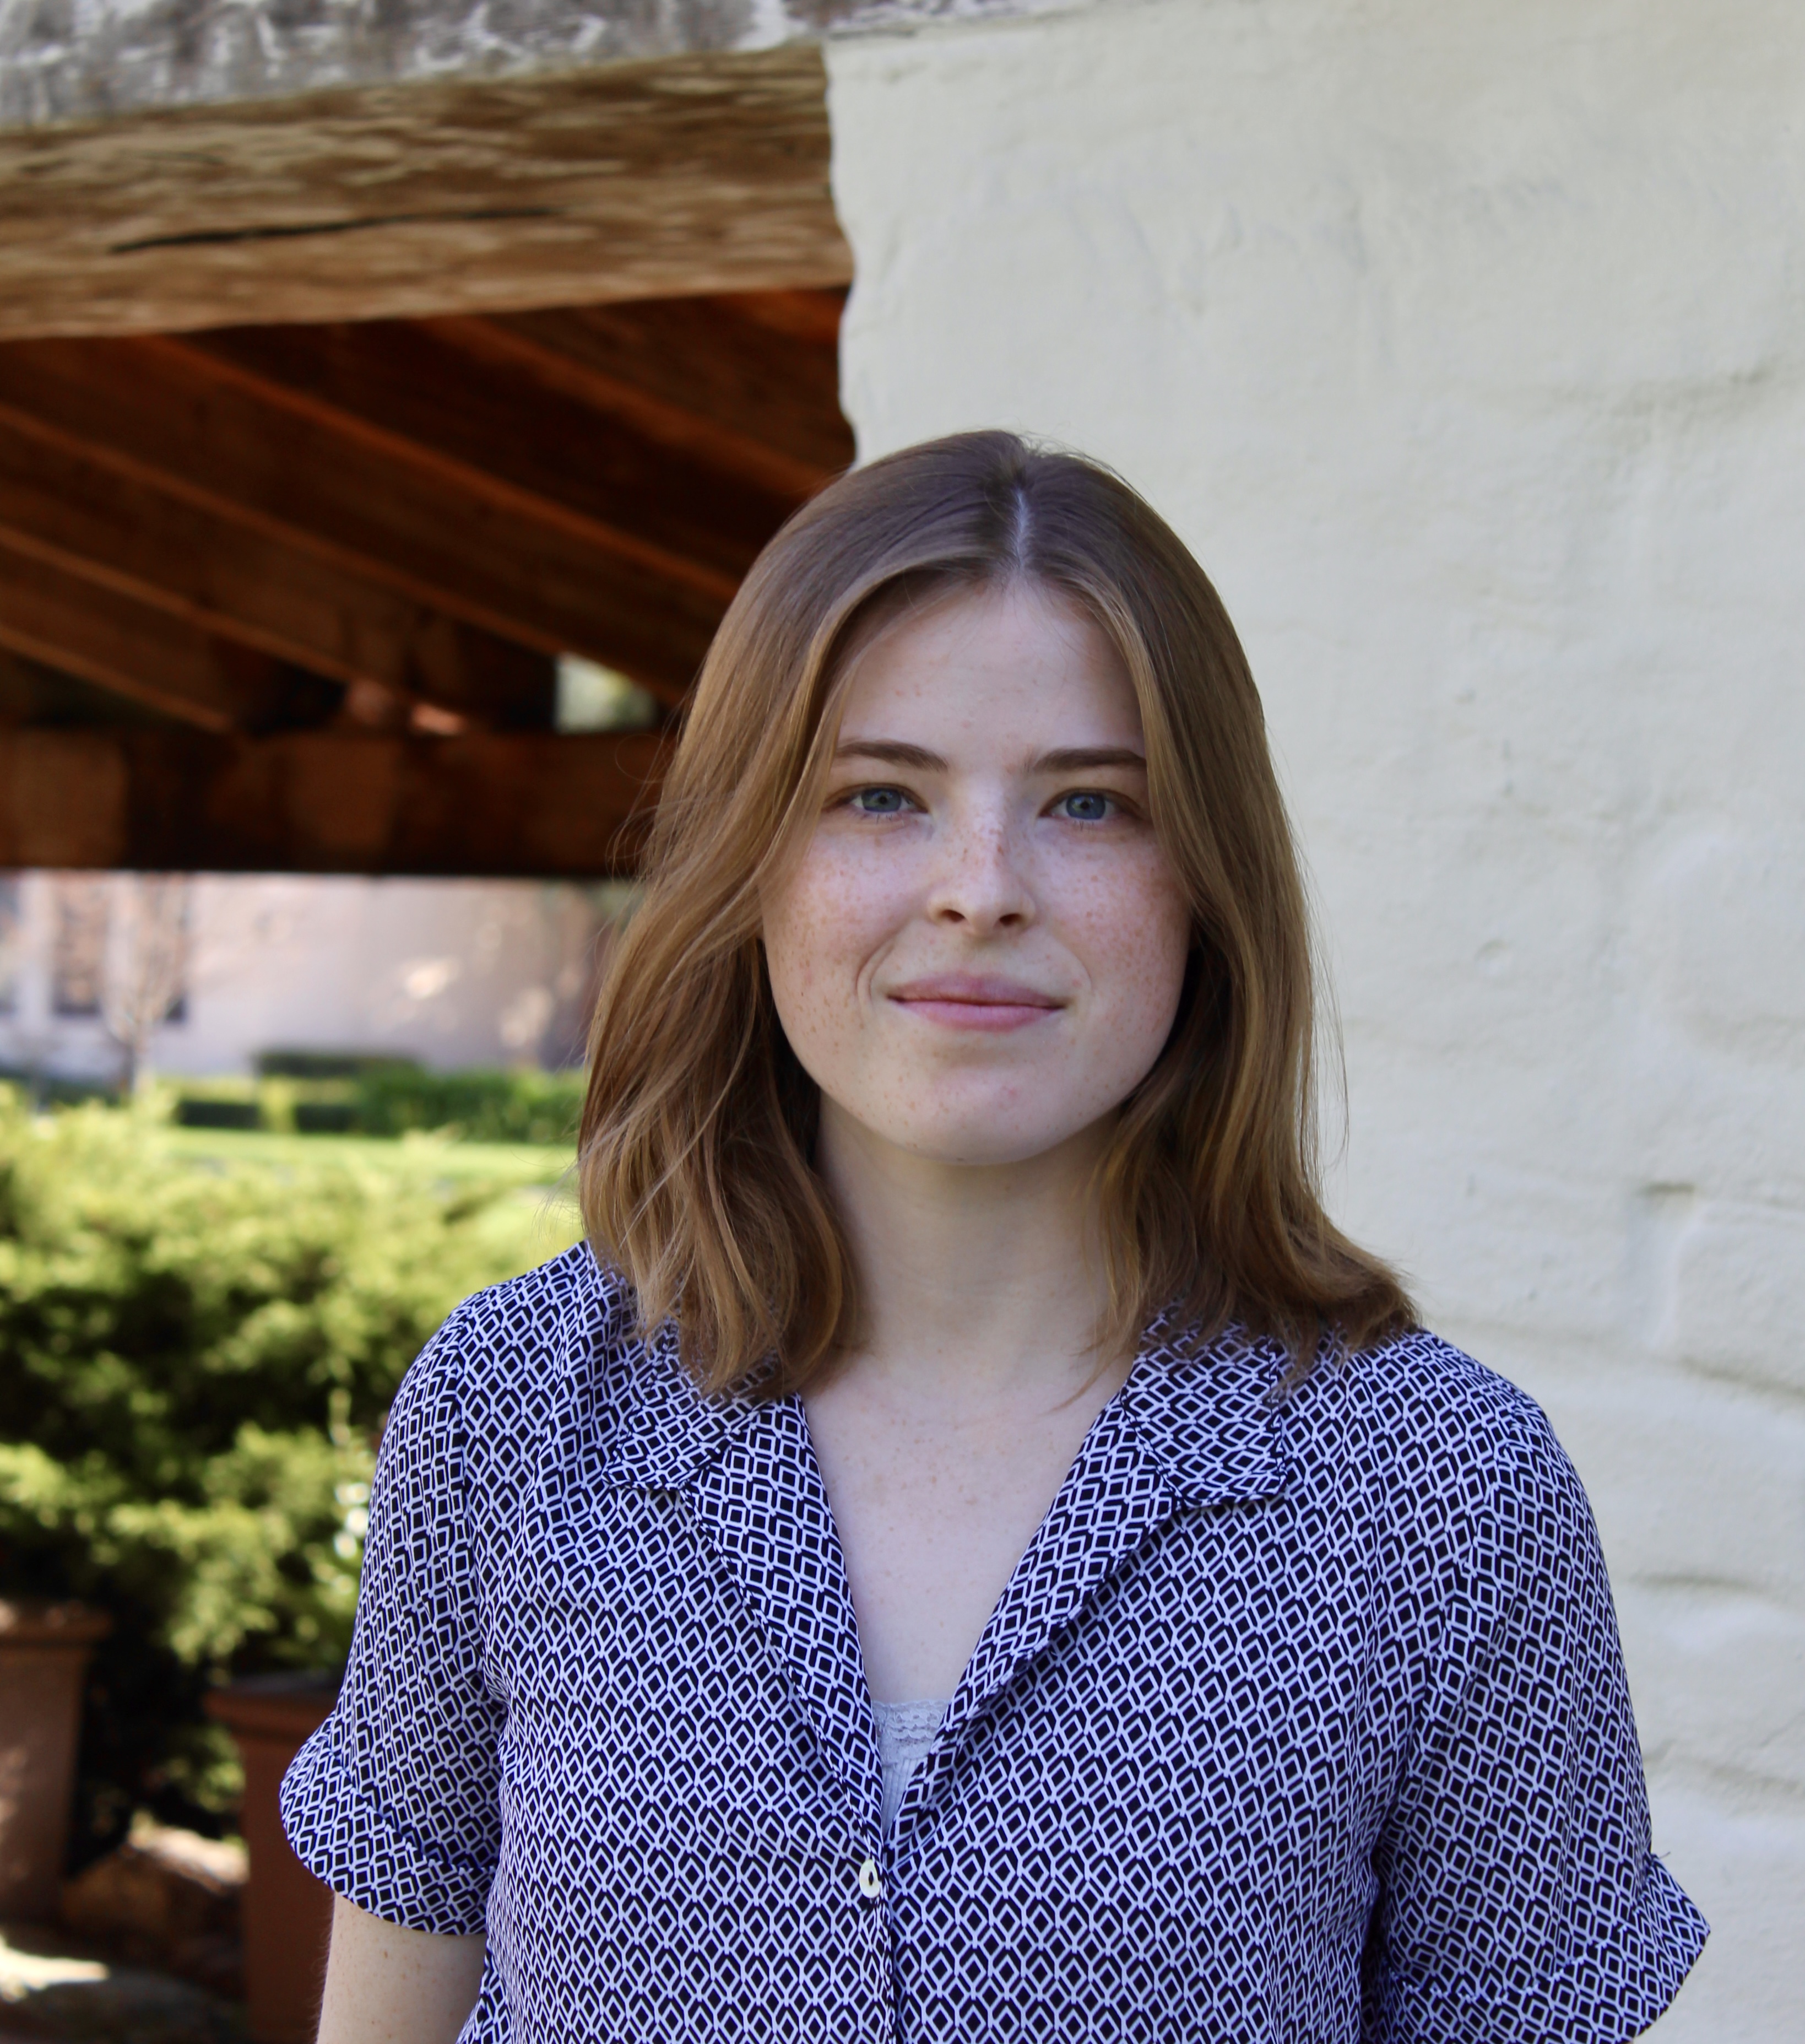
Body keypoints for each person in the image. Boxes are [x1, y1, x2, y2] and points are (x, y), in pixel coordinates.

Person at [283, 432, 1706, 2043]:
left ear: (1205, 882)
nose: (982, 888)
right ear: (755, 861)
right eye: (880, 795)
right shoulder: (516, 1413)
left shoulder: (1439, 1501)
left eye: (1089, 804)